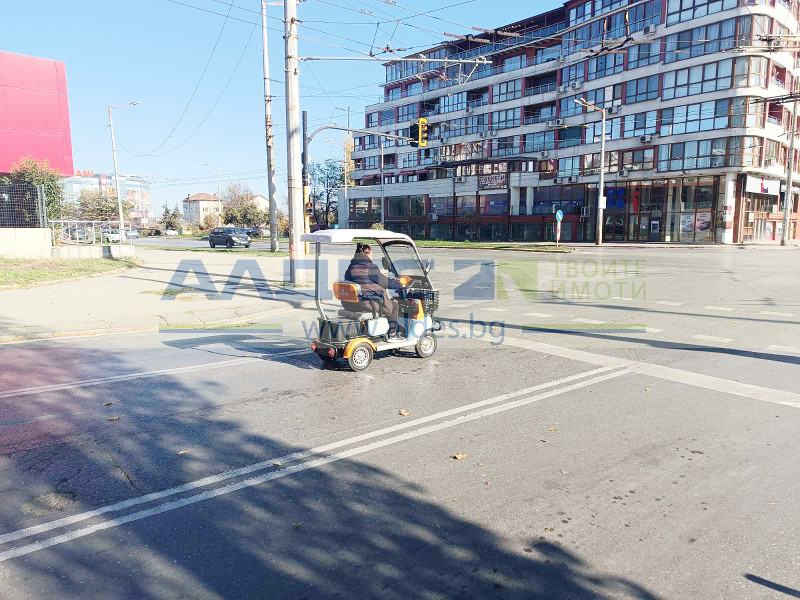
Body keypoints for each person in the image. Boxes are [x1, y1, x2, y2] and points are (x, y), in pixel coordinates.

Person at [343, 243, 403, 339]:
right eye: (372, 254)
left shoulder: (351, 267)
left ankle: (378, 331)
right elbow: (386, 282)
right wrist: (401, 285)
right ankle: (393, 334)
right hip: (364, 303)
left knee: (383, 300)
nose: (372, 256)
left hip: (350, 303)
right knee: (394, 305)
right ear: (368, 254)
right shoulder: (369, 267)